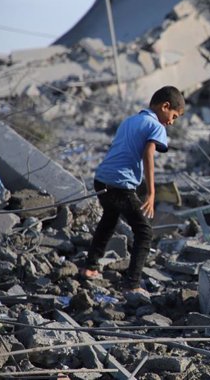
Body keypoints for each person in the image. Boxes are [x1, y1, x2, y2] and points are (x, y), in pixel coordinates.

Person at [80, 86, 185, 296]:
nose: (172, 122)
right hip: (120, 184)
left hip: (101, 180)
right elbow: (148, 153)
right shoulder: (156, 125)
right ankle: (132, 284)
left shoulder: (130, 120)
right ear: (165, 106)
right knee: (145, 232)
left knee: (109, 220)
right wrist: (151, 192)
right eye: (173, 116)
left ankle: (89, 267)